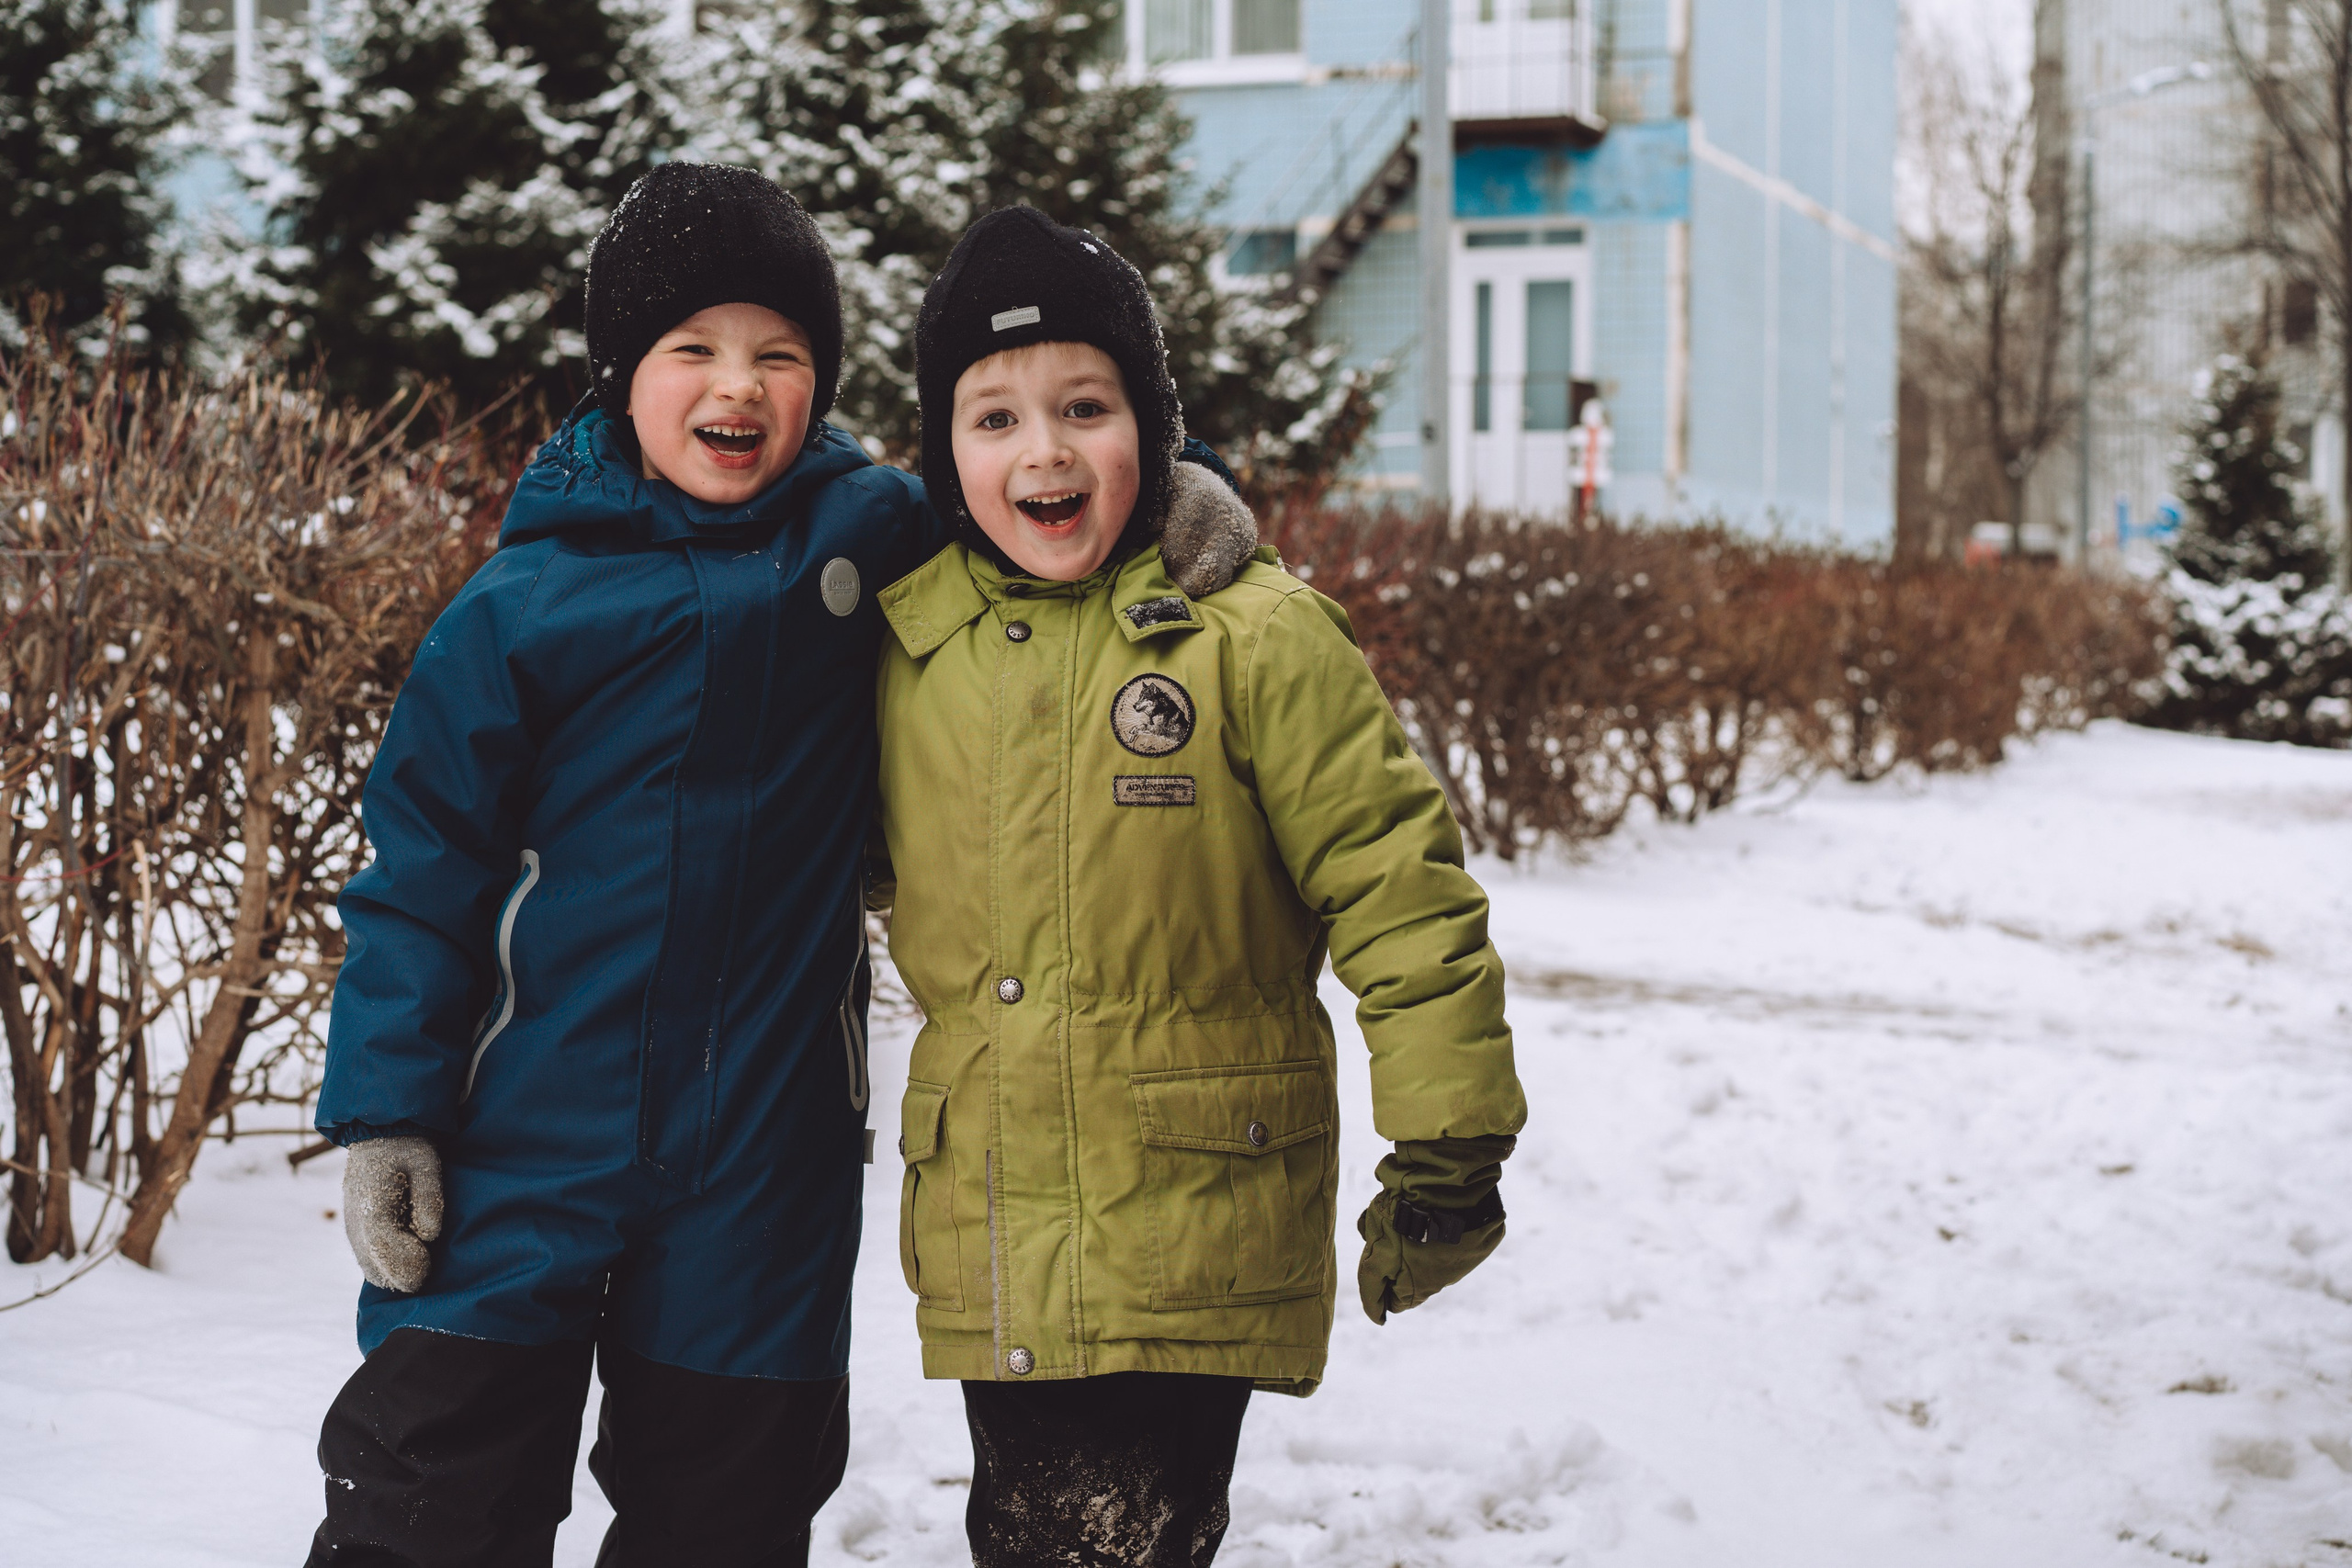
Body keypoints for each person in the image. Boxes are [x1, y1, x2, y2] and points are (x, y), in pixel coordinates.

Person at [304, 165, 1255, 1568]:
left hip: (765, 1148)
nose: (737, 385)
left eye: (781, 354)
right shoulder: (520, 609)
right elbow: (421, 871)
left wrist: (1173, 485)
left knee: (730, 1511)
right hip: (522, 1136)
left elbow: (1040, 491)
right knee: (433, 1497)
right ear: (620, 377)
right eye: (692, 348)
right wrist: (388, 1110)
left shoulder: (873, 533)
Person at [872, 205, 1529, 1568]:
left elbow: (1398, 884)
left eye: (1085, 406)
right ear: (944, 456)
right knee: (1039, 1533)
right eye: (992, 419)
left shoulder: (1250, 637)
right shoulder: (914, 655)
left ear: (1153, 428)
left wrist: (1449, 1144)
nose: (1044, 451)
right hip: (995, 1209)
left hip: (1191, 1205)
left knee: (1100, 1535)